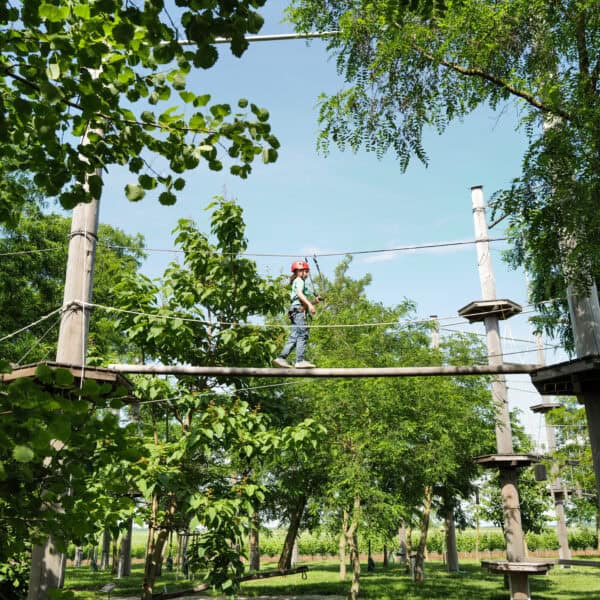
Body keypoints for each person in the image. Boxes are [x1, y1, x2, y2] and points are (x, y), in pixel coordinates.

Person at [273, 260, 321, 368]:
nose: (307, 274)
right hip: (298, 311)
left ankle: (281, 358)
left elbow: (299, 300)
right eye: (306, 271)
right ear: (300, 271)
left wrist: (314, 302)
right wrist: (310, 305)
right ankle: (300, 360)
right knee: (303, 334)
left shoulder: (297, 281)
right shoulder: (299, 280)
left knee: (294, 337)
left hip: (295, 310)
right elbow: (299, 295)